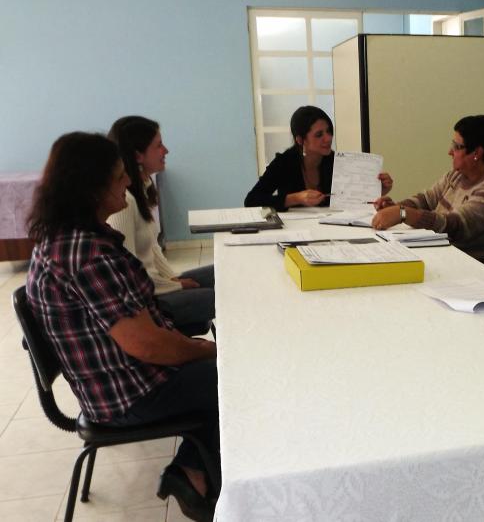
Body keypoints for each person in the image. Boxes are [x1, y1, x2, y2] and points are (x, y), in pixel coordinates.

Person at [26, 133, 220, 521]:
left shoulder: (65, 240)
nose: (127, 182)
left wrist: (193, 346)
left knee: (228, 368)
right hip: (128, 396)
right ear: (90, 187)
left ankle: (197, 462)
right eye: (118, 177)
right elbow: (149, 347)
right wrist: (209, 350)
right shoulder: (86, 254)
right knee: (245, 376)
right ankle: (193, 472)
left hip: (114, 385)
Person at [107, 116, 214, 336]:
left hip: (157, 286)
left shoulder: (142, 189)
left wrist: (171, 278)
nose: (166, 151)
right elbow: (128, 272)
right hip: (149, 302)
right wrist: (175, 286)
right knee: (227, 295)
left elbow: (151, 249)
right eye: (158, 146)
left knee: (224, 273)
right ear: (137, 155)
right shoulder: (125, 202)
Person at [371, 115, 484, 261]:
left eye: (457, 147)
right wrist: (395, 207)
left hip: (475, 269)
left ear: (477, 153)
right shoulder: (458, 174)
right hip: (446, 256)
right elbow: (427, 199)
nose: (450, 152)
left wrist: (402, 213)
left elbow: (454, 226)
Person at [244, 105, 392, 211]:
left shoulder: (337, 162)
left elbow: (351, 200)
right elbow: (251, 200)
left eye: (329, 131)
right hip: (292, 231)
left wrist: (379, 191)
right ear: (300, 140)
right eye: (319, 134)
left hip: (331, 228)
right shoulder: (284, 163)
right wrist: (296, 198)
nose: (328, 138)